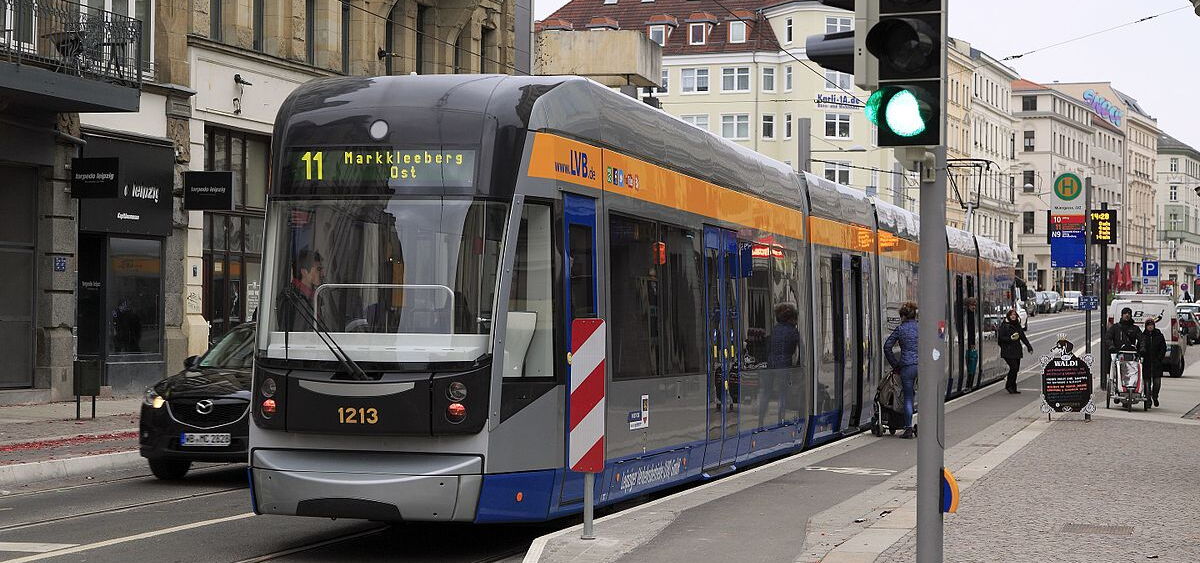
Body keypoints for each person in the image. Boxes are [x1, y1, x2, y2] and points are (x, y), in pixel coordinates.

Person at [759, 303, 800, 427]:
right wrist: (798, 365)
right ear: (791, 318)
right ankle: (780, 419)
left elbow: (768, 346)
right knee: (783, 393)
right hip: (784, 365)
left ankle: (760, 420)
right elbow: (801, 349)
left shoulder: (775, 329)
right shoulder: (793, 331)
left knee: (766, 392)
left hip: (771, 363)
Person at [883, 302, 918, 439]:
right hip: (923, 367)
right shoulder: (922, 327)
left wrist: (895, 365)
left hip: (907, 367)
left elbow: (887, 347)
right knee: (927, 398)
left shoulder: (900, 329)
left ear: (903, 316)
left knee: (908, 397)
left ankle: (908, 428)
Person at [278, 247, 325, 332]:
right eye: (319, 269)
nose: (323, 274)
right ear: (304, 272)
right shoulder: (291, 298)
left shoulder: (314, 296)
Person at [997, 309, 1033, 394]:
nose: (1013, 316)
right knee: (1013, 368)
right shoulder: (1004, 326)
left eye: (1014, 315)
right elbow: (1000, 338)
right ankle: (1009, 385)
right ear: (1008, 316)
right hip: (1007, 351)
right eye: (1011, 315)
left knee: (1016, 369)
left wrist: (1029, 347)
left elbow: (1023, 337)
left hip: (1016, 350)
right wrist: (1010, 338)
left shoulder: (1017, 325)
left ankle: (1013, 387)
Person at [1140, 318, 1167, 407]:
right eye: (1148, 325)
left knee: (1157, 382)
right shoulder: (1143, 336)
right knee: (1146, 382)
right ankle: (1147, 400)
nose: (1150, 327)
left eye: (1151, 325)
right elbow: (1139, 347)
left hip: (1156, 363)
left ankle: (1155, 396)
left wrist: (1160, 358)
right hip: (1146, 363)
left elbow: (1163, 348)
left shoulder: (1159, 336)